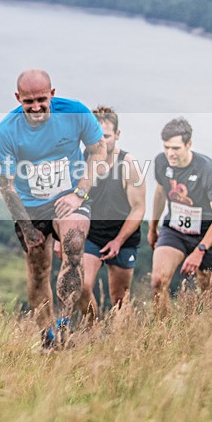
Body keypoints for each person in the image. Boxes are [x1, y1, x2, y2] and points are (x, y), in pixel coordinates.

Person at [0, 69, 105, 348]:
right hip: (30, 207)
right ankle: (48, 338)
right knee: (39, 272)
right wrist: (26, 227)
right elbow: (6, 184)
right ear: (18, 98)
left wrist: (79, 194)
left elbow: (98, 151)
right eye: (28, 101)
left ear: (52, 94)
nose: (36, 107)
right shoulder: (7, 129)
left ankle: (69, 325)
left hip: (69, 197)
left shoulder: (75, 112)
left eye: (41, 99)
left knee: (74, 248)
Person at [148, 117, 212, 317]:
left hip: (205, 234)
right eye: (166, 147)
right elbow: (160, 192)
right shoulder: (161, 162)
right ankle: (163, 329)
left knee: (210, 299)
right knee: (157, 281)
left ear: (189, 144)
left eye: (175, 148)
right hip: (174, 230)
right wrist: (153, 227)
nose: (170, 153)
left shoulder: (206, 168)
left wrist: (200, 251)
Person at [80, 106, 145, 317]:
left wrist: (118, 241)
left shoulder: (129, 164)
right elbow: (68, 200)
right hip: (91, 234)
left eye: (106, 137)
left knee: (119, 299)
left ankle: (122, 335)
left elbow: (139, 209)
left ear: (117, 135)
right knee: (82, 287)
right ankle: (92, 330)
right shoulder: (81, 161)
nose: (101, 142)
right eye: (96, 137)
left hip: (122, 236)